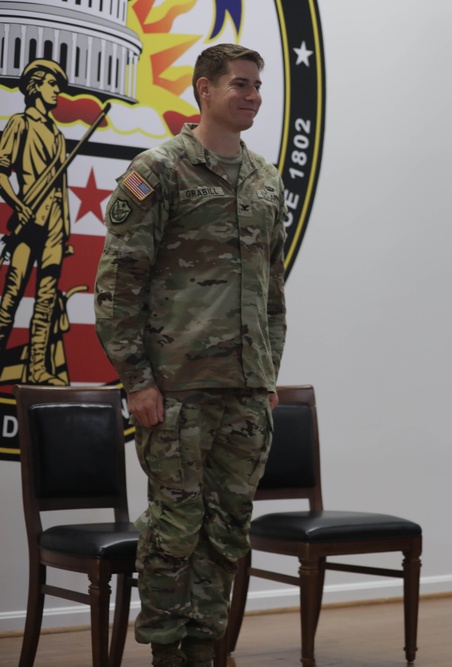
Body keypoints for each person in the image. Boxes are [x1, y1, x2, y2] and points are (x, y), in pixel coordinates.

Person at [94, 43, 287, 667]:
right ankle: (169, 655)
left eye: (258, 85)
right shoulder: (161, 169)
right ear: (204, 89)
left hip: (246, 389)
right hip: (175, 387)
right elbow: (120, 282)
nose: (253, 94)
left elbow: (272, 290)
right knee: (174, 531)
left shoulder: (265, 179)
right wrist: (137, 380)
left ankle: (207, 649)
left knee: (227, 528)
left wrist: (266, 374)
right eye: (239, 83)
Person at [0, 59, 72, 385]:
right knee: (12, 295)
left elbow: (62, 188)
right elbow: (1, 173)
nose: (57, 90)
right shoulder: (20, 124)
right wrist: (17, 204)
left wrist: (65, 229)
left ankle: (37, 369)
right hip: (29, 223)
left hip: (55, 225)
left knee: (46, 300)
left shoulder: (58, 135)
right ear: (36, 87)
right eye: (52, 84)